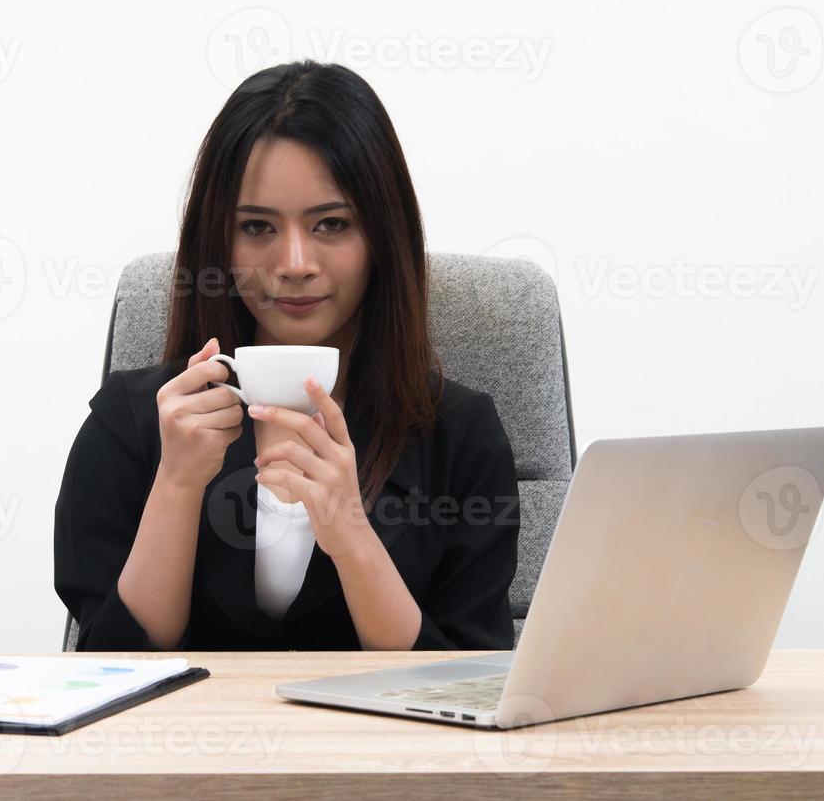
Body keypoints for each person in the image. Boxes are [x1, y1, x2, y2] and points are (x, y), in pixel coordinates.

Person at [54, 60, 519, 651]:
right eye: (256, 228)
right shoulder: (132, 421)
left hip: (384, 746)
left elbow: (464, 685)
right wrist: (175, 484)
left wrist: (350, 534)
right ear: (217, 241)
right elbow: (109, 668)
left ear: (382, 237)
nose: (295, 263)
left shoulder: (461, 435)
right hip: (186, 742)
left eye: (331, 224)